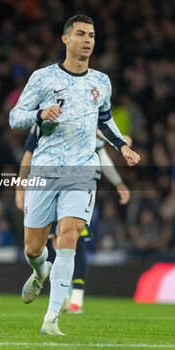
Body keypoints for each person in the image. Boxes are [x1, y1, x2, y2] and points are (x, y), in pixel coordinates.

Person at [9, 15, 140, 335]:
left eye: (92, 35)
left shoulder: (102, 81)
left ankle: (51, 318)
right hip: (45, 169)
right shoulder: (43, 77)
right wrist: (40, 113)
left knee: (68, 238)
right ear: (65, 39)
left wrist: (121, 145)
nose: (87, 40)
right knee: (33, 249)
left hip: (82, 170)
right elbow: (15, 118)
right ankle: (40, 272)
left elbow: (106, 121)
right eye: (80, 34)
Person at [15, 125, 131, 314]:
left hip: (79, 184)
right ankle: (58, 291)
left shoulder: (88, 113)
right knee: (46, 244)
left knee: (75, 239)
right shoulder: (45, 118)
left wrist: (118, 179)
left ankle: (75, 298)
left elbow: (100, 147)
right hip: (47, 184)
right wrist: (20, 188)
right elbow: (28, 153)